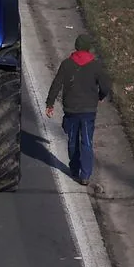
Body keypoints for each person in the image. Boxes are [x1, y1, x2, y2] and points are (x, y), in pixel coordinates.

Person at [45, 34, 112, 186]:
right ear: (88, 48)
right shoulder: (96, 65)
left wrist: (50, 104)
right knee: (87, 141)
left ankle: (74, 169)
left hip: (71, 109)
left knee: (72, 140)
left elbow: (56, 85)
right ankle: (86, 174)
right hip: (88, 110)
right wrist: (100, 96)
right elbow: (106, 86)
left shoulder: (67, 64)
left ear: (76, 46)